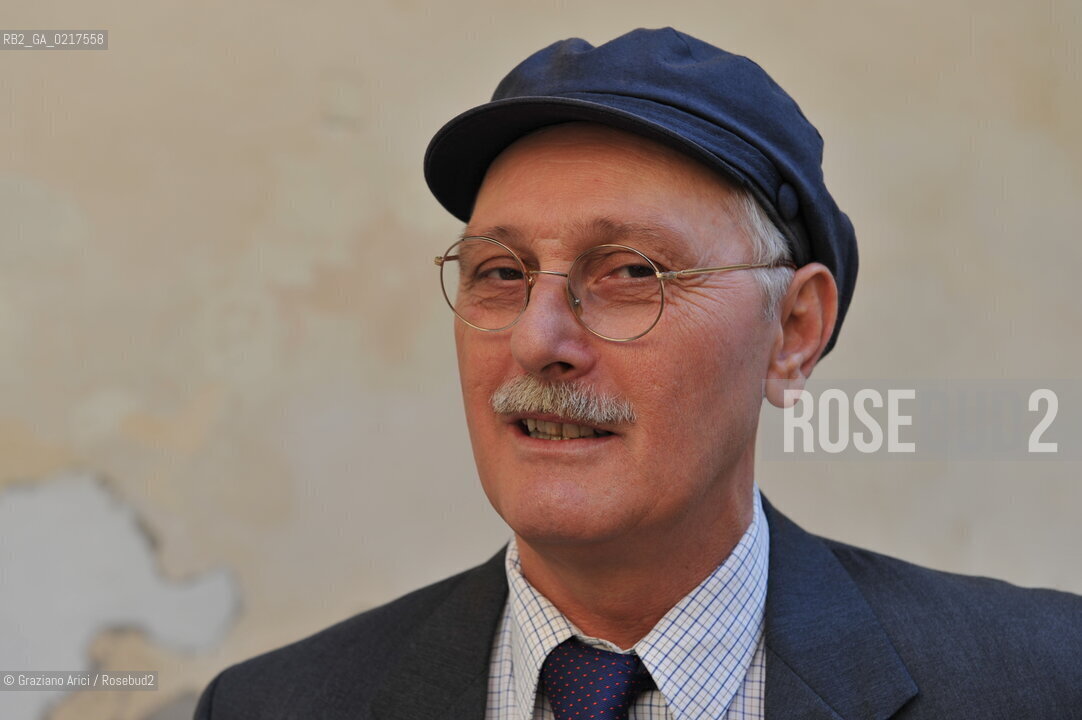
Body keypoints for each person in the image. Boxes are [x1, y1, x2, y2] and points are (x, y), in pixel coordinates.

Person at [195, 28, 1082, 719]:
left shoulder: (1040, 684)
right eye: (500, 273)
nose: (539, 339)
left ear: (794, 333)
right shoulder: (275, 707)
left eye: (631, 273)